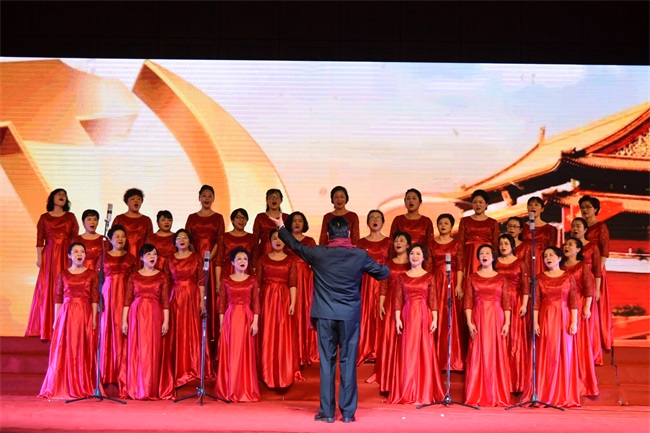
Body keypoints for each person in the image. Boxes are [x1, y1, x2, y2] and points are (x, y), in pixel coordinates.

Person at [272, 215, 389, 423]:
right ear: (349, 233)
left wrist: (281, 227)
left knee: (326, 363)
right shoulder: (360, 255)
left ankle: (327, 413)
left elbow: (295, 246)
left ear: (327, 234)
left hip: (325, 316)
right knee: (348, 362)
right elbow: (382, 273)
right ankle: (348, 414)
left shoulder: (318, 253)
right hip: (349, 316)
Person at [39, 242, 99, 399]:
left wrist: (93, 318)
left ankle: (82, 384)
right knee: (65, 347)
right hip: (67, 314)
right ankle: (63, 384)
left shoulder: (92, 274)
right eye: (76, 251)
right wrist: (56, 319)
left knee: (82, 347)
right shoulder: (63, 274)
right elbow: (58, 298)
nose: (79, 254)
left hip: (85, 313)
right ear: (69, 255)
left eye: (82, 251)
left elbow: (94, 298)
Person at [522, 246, 580, 408]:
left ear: (560, 258)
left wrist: (574, 322)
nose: (548, 258)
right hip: (546, 317)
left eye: (551, 255)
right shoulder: (540, 278)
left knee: (563, 354)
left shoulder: (568, 277)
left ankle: (561, 394)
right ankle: (543, 393)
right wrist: (535, 322)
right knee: (547, 354)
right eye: (545, 256)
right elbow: (536, 303)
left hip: (564, 317)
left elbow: (573, 301)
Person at [391, 243, 444, 405]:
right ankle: (408, 391)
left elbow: (433, 300)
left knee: (424, 351)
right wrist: (397, 319)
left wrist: (435, 319)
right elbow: (398, 300)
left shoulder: (429, 277)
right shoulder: (402, 277)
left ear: (423, 257)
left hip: (423, 316)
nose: (414, 256)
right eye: (412, 253)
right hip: (407, 315)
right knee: (408, 352)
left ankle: (424, 391)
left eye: (418, 254)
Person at [26, 188, 79, 340]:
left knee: (64, 287)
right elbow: (39, 240)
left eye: (64, 195)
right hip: (49, 256)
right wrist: (39, 259)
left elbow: (75, 239)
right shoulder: (44, 218)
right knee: (47, 288)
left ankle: (65, 326)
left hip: (65, 255)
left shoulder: (70, 217)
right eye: (59, 194)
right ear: (52, 198)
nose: (62, 196)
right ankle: (45, 327)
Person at [121, 244, 173, 400]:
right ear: (142, 258)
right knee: (137, 349)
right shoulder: (134, 276)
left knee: (152, 349)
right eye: (149, 254)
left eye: (154, 254)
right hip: (136, 314)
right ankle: (136, 386)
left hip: (155, 313)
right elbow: (127, 300)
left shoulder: (162, 276)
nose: (152, 257)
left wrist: (166, 321)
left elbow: (165, 301)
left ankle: (150, 387)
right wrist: (124, 321)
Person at [464, 244, 512, 406]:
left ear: (493, 257)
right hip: (478, 317)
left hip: (496, 318)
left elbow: (506, 303)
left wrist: (507, 322)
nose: (484, 255)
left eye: (487, 253)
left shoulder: (501, 278)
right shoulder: (472, 277)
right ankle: (476, 394)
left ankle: (496, 394)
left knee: (495, 354)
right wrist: (469, 322)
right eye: (481, 253)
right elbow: (468, 302)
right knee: (478, 352)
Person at [163, 229, 212, 388]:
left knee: (192, 330)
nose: (182, 240)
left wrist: (202, 301)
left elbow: (201, 281)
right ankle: (178, 368)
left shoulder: (196, 257)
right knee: (177, 331)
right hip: (175, 297)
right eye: (179, 238)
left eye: (185, 237)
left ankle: (194, 366)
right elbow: (166, 282)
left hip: (192, 296)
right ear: (175, 242)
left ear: (190, 241)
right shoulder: (169, 259)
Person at [215, 247, 261, 402]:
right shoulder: (226, 280)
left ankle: (245, 390)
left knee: (245, 354)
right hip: (230, 318)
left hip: (247, 319)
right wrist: (222, 325)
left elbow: (256, 303)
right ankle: (230, 389)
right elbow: (221, 305)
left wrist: (255, 322)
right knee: (231, 354)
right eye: (239, 259)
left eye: (245, 259)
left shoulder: (252, 280)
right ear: (233, 263)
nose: (243, 261)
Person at [256, 229, 300, 389]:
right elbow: (258, 284)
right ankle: (266, 372)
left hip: (284, 299)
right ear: (270, 241)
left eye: (280, 238)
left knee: (282, 333)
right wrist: (256, 304)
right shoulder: (263, 259)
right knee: (267, 333)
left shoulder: (290, 260)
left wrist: (293, 303)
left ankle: (283, 372)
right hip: (266, 299)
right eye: (274, 238)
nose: (278, 240)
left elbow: (293, 284)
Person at [185, 185, 225, 354]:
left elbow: (220, 240)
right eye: (204, 195)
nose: (207, 198)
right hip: (195, 263)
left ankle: (213, 344)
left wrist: (208, 258)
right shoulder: (192, 218)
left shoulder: (218, 218)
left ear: (213, 198)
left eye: (210, 195)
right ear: (199, 197)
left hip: (212, 262)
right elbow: (187, 239)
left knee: (211, 299)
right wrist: (197, 259)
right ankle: (195, 343)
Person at [97, 224, 137, 391]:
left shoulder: (131, 258)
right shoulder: (104, 257)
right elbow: (97, 279)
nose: (120, 239)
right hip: (107, 297)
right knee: (107, 331)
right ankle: (106, 372)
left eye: (123, 236)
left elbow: (135, 281)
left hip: (125, 297)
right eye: (117, 236)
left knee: (122, 333)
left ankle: (123, 374)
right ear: (110, 239)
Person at [428, 213, 467, 372]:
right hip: (436, 281)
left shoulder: (457, 244)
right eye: (440, 223)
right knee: (438, 315)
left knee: (452, 316)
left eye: (446, 223)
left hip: (452, 282)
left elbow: (460, 266)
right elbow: (429, 267)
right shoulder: (431, 244)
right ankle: (437, 359)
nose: (443, 225)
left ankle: (454, 360)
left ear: (451, 226)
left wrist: (459, 285)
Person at [374, 231, 410, 394]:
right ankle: (388, 374)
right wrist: (381, 303)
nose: (398, 243)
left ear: (408, 245)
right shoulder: (388, 263)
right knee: (390, 336)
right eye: (396, 240)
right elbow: (383, 284)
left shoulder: (412, 262)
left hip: (407, 303)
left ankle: (403, 374)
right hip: (390, 301)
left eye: (402, 240)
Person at [562, 237, 599, 397]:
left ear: (578, 249)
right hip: (563, 305)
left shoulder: (583, 266)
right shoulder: (560, 266)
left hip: (579, 303)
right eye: (565, 244)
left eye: (570, 244)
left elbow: (589, 288)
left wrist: (587, 307)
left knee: (578, 341)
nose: (566, 246)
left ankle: (581, 381)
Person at [494, 234, 530, 393]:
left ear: (513, 245)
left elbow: (525, 285)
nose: (503, 246)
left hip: (515, 302)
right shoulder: (494, 262)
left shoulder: (520, 263)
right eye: (501, 243)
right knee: (500, 338)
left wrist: (525, 304)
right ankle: (500, 380)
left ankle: (515, 382)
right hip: (496, 302)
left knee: (515, 339)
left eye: (506, 243)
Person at [355, 210, 391, 365]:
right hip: (365, 283)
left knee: (381, 315)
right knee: (365, 316)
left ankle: (380, 351)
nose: (375, 220)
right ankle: (365, 350)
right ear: (367, 222)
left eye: (378, 218)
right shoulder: (361, 243)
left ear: (383, 222)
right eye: (372, 218)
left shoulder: (389, 242)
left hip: (383, 282)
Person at [284, 211, 319, 366]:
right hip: (289, 278)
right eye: (294, 221)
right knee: (291, 311)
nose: (297, 223)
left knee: (306, 310)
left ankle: (308, 351)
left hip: (306, 278)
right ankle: (292, 351)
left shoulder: (310, 241)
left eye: (300, 220)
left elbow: (317, 260)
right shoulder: (285, 239)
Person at [579, 195, 613, 352]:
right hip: (580, 272)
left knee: (593, 307)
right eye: (582, 207)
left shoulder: (601, 227)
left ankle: (594, 345)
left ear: (596, 209)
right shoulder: (579, 226)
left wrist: (595, 271)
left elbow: (604, 252)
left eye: (588, 207)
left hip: (595, 271)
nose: (585, 210)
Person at [455, 189, 500, 299]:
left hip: (486, 260)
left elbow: (495, 248)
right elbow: (460, 247)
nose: (478, 205)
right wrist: (461, 267)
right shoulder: (464, 221)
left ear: (486, 204)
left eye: (481, 202)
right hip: (469, 259)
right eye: (475, 202)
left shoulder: (493, 222)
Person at [570, 217, 603, 364]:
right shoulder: (568, 247)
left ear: (585, 230)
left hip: (585, 290)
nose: (575, 229)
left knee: (585, 323)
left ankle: (587, 355)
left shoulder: (592, 247)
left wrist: (597, 289)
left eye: (578, 226)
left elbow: (597, 270)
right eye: (573, 226)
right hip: (570, 293)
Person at [389, 188, 434, 256]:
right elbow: (392, 243)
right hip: (401, 259)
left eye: (414, 198)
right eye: (408, 198)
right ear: (404, 201)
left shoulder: (426, 221)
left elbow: (430, 245)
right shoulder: (398, 220)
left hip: (420, 259)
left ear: (420, 202)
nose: (411, 201)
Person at [112, 188, 153, 259]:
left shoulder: (146, 220)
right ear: (126, 202)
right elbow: (113, 240)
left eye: (139, 199)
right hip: (122, 257)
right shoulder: (119, 219)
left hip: (141, 258)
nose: (136, 201)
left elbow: (149, 241)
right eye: (132, 199)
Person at [521, 196, 558, 276]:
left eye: (536, 204)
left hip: (542, 261)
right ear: (527, 208)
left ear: (542, 209)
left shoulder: (551, 229)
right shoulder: (522, 227)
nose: (533, 207)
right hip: (525, 259)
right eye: (530, 205)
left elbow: (552, 249)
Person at [252, 189, 289, 269]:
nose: (274, 199)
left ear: (281, 200)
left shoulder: (287, 217)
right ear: (267, 200)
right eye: (271, 197)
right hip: (264, 252)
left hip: (283, 253)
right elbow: (255, 240)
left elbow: (291, 240)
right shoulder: (260, 217)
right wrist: (254, 263)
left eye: (276, 197)